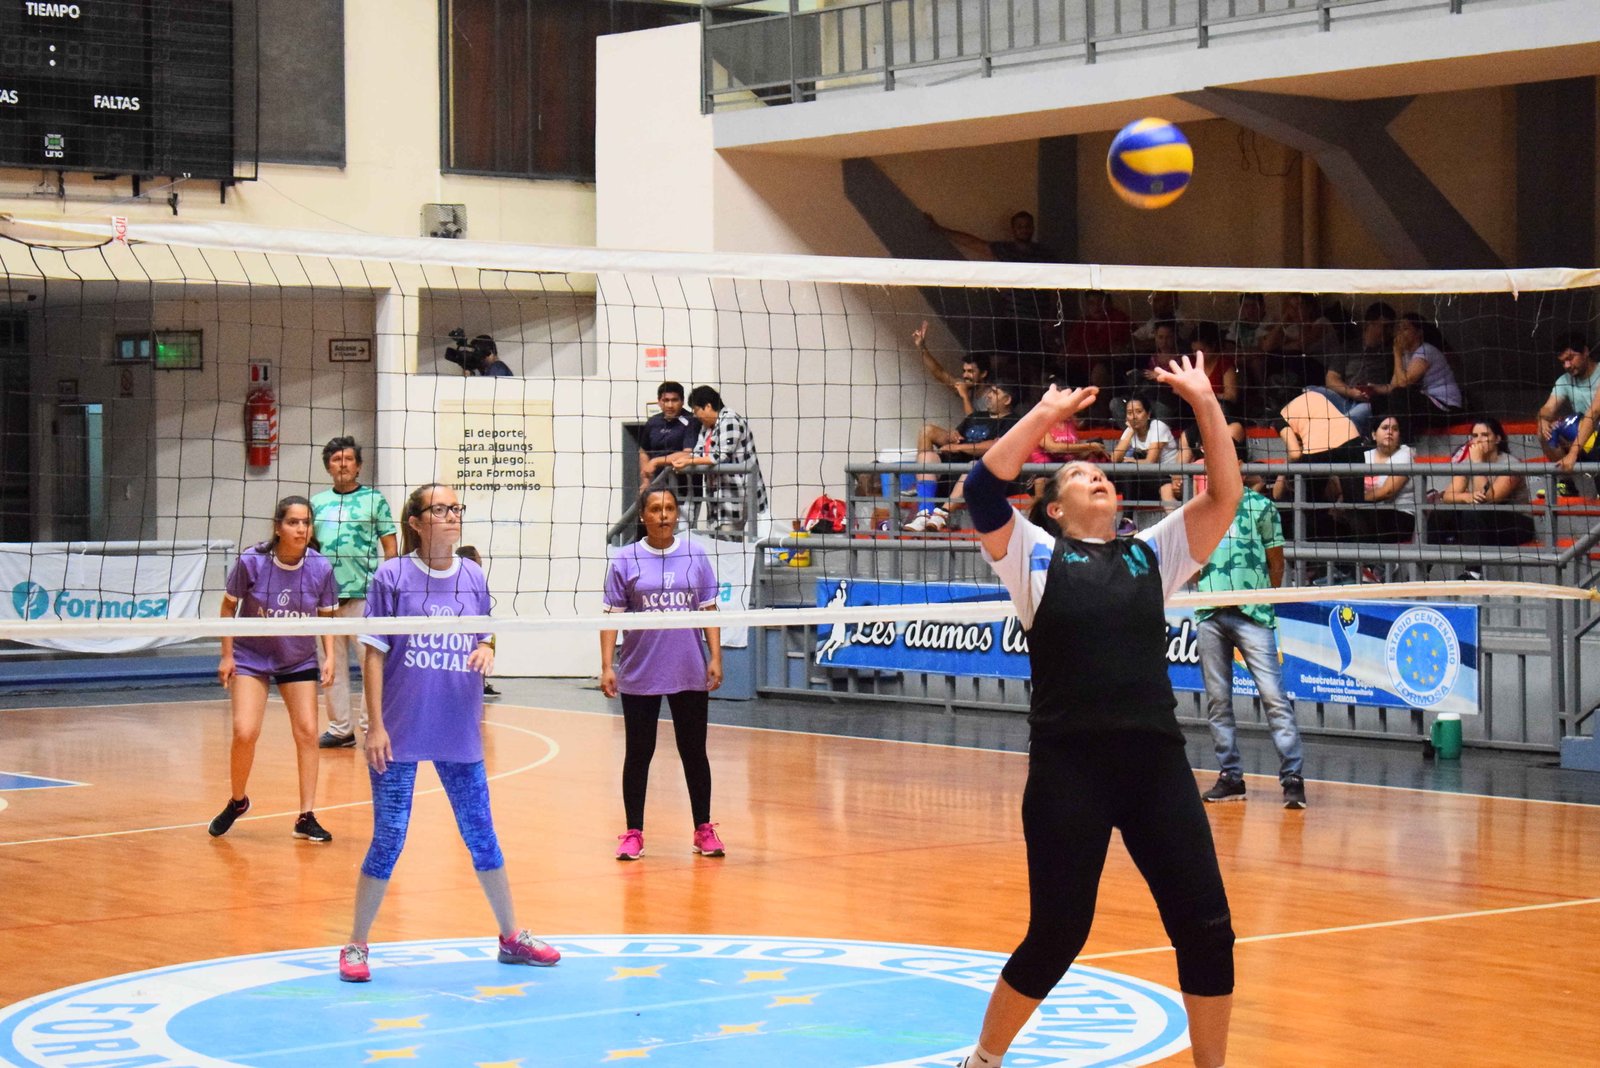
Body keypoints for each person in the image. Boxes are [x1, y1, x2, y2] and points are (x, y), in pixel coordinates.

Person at [956, 353, 1242, 1068]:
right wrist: (1046, 415)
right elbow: (982, 489)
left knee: (1208, 929)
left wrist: (1205, 402)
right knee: (1057, 934)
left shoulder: (1153, 554)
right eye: (1081, 474)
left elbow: (1225, 496)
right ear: (1054, 508)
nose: (1098, 476)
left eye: (1102, 472)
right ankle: (983, 1060)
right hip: (1070, 770)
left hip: (1155, 768)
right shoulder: (1033, 556)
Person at [338, 483, 559, 983]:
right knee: (389, 838)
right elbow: (372, 653)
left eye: (456, 508)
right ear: (416, 522)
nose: (452, 515)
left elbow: (485, 628)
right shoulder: (392, 576)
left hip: (457, 724)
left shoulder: (472, 574)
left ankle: (511, 937)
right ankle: (356, 943)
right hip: (400, 727)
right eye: (440, 509)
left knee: (481, 833)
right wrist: (374, 725)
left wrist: (488, 648)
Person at [600, 485, 725, 861]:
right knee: (639, 753)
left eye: (670, 508)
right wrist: (606, 665)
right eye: (655, 509)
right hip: (641, 670)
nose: (664, 515)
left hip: (688, 667)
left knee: (694, 751)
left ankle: (703, 829)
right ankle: (633, 833)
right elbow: (610, 617)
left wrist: (715, 656)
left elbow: (709, 608)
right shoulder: (625, 559)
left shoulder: (695, 554)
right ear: (643, 516)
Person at [208, 496, 339, 843]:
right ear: (278, 527)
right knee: (244, 731)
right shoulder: (252, 561)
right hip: (251, 655)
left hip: (297, 657)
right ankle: (238, 801)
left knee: (308, 731)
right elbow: (227, 608)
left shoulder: (321, 567)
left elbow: (327, 616)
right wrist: (227, 655)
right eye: (293, 522)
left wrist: (330, 656)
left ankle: (306, 816)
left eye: (306, 522)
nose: (301, 529)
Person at [1194, 477, 1307, 809]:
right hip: (1210, 612)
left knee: (1274, 697)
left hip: (1253, 613)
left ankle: (1293, 779)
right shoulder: (1200, 508)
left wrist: (1260, 599)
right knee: (1218, 701)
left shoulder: (1261, 506)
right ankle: (1231, 777)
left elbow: (1276, 563)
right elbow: (1193, 563)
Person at [312, 437, 399, 749]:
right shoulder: (316, 503)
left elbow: (391, 547)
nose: (343, 464)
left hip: (365, 596)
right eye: (336, 459)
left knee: (371, 663)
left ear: (359, 465)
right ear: (328, 466)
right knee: (330, 665)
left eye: (349, 459)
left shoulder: (374, 500)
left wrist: (390, 589)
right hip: (325, 600)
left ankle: (370, 724)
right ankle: (340, 729)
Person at [908, 381, 1021, 532]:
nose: (988, 395)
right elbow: (958, 437)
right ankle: (924, 512)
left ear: (1007, 400)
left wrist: (959, 447)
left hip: (980, 477)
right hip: (954, 467)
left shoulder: (1013, 421)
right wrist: (952, 437)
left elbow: (996, 445)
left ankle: (942, 514)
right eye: (990, 391)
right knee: (926, 453)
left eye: (994, 393)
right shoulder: (976, 416)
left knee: (974, 465)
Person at [1427, 418, 1535, 574]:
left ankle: (1473, 573)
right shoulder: (1467, 463)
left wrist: (1477, 464)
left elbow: (1491, 499)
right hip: (1479, 523)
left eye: (1485, 435)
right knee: (1440, 513)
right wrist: (1466, 497)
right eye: (1475, 436)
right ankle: (1423, 569)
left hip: (1515, 524)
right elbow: (1448, 496)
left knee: (1473, 512)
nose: (1478, 440)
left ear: (1497, 439)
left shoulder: (1511, 464)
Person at [675, 385, 769, 537]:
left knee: (729, 539)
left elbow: (720, 456)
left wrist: (689, 462)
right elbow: (698, 452)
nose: (696, 416)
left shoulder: (730, 420)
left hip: (737, 495)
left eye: (696, 411)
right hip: (717, 497)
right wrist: (683, 460)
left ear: (708, 406)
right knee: (718, 539)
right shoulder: (707, 428)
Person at [1314, 301, 1395, 435]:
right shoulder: (1348, 347)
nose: (1388, 332)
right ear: (1369, 324)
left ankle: (1334, 434)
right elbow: (1331, 378)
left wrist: (1375, 390)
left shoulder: (1392, 352)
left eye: (1391, 327)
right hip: (1344, 397)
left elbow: (1396, 385)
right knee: (1312, 391)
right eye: (1385, 326)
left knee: (1356, 415)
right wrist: (1351, 392)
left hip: (1369, 402)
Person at [1375, 312, 1462, 429]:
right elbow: (1394, 386)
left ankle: (1404, 438)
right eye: (1398, 329)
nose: (1400, 333)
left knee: (1400, 395)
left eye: (1405, 329)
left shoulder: (1426, 351)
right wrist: (1373, 389)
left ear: (1419, 333)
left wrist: (1397, 353)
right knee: (1378, 399)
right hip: (1426, 404)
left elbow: (1403, 384)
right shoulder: (1405, 355)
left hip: (1445, 406)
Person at [1535, 332, 1600, 475]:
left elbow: (1594, 412)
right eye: (1563, 362)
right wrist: (1543, 419)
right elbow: (1548, 408)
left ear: (1585, 351)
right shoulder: (1564, 380)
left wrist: (1573, 454)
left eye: (1570, 358)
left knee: (1578, 423)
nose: (1567, 365)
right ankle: (1567, 479)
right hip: (1586, 439)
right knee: (1545, 431)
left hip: (1594, 431)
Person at [1359, 415, 1417, 545]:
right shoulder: (1364, 456)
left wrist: (1353, 500)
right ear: (1374, 435)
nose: (1390, 432)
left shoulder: (1405, 453)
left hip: (1400, 515)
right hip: (1369, 511)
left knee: (1363, 518)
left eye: (1395, 429)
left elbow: (1387, 491)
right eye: (1385, 428)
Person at [1108, 395, 1174, 503]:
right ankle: (1127, 512)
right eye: (1129, 413)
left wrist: (1133, 462)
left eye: (1138, 412)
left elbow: (1150, 462)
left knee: (1129, 469)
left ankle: (1127, 512)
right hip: (1145, 479)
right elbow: (1115, 459)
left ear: (1148, 414)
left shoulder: (1158, 426)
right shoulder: (1130, 430)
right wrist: (1131, 431)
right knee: (1123, 472)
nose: (1134, 417)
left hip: (1168, 479)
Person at [455, 545, 500, 698]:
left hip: (477, 625)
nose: (481, 561)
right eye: (478, 558)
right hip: (462, 631)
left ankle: (481, 681)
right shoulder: (465, 578)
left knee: (487, 640)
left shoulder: (477, 579)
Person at [638, 381, 697, 491]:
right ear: (659, 402)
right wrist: (646, 481)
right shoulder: (653, 422)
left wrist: (655, 461)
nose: (670, 405)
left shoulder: (691, 421)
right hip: (658, 483)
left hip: (685, 487)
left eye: (674, 400)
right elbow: (643, 451)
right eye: (666, 400)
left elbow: (688, 453)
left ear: (682, 401)